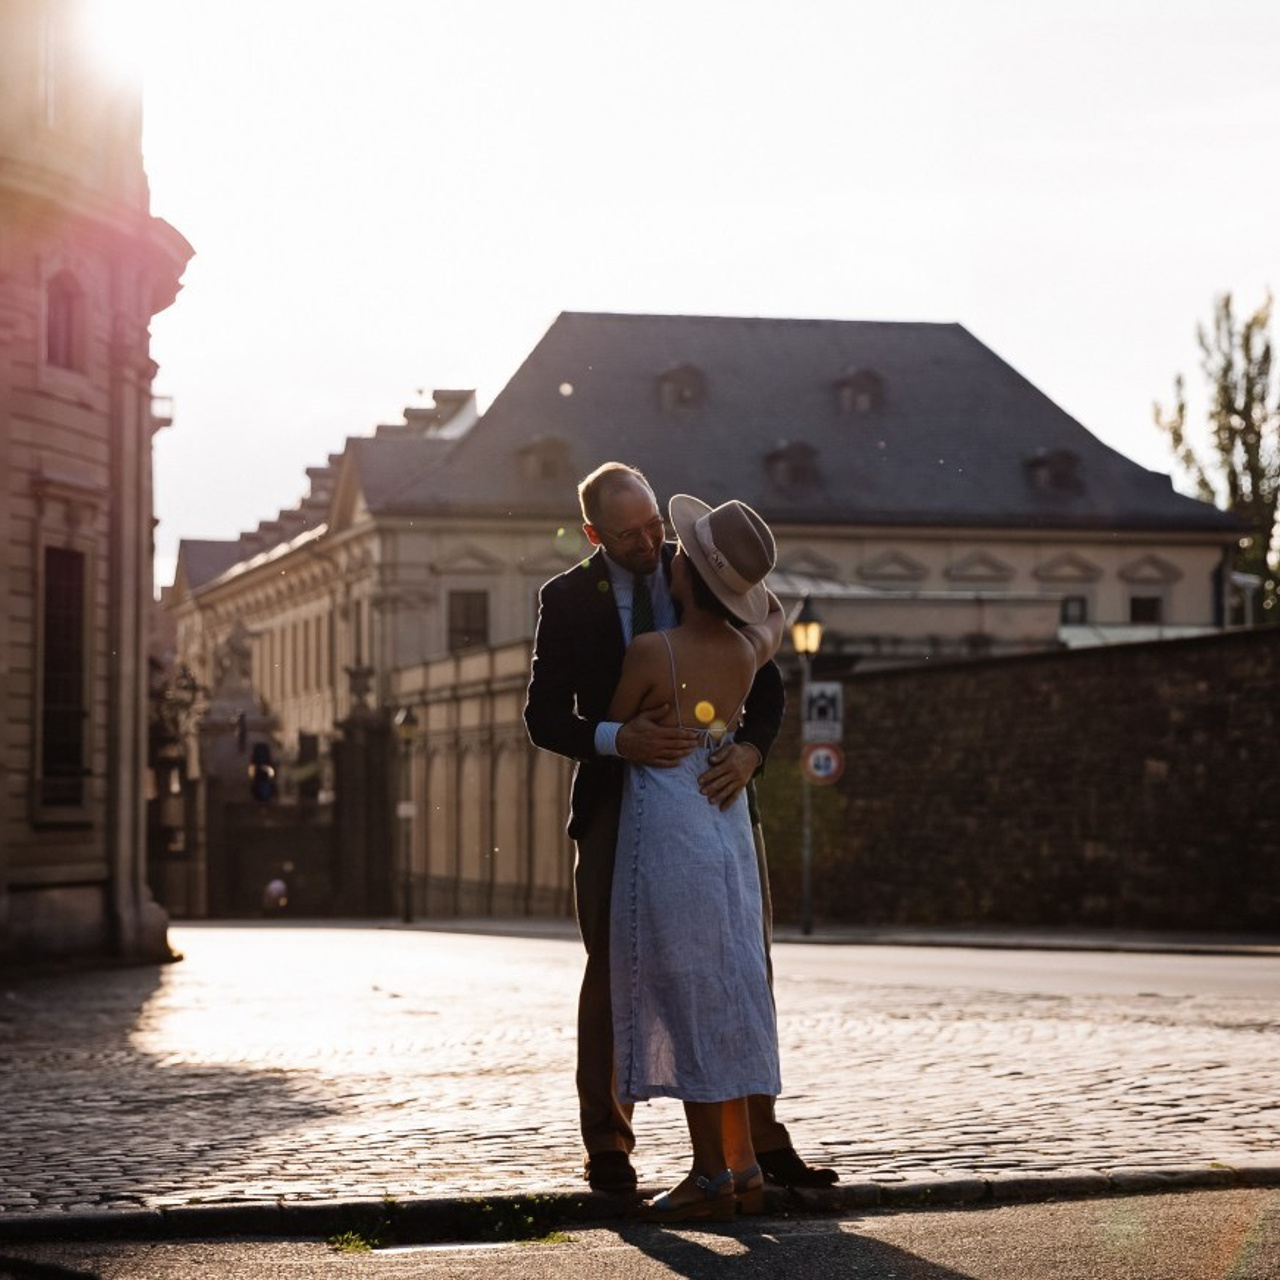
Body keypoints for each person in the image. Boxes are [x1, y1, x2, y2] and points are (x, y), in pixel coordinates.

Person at [524, 462, 836, 1197]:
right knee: (611, 971)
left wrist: (754, 751)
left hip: (719, 797)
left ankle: (757, 1144)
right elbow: (542, 717)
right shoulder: (567, 598)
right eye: (629, 533)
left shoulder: (702, 569)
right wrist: (614, 738)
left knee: (739, 967)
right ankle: (609, 1148)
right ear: (594, 533)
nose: (649, 541)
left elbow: (769, 682)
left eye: (656, 525)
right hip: (615, 806)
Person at [607, 492, 785, 1221]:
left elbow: (620, 726)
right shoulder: (746, 651)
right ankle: (744, 1167)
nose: (670, 556)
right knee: (731, 985)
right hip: (727, 822)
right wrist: (741, 585)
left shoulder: (653, 652)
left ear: (692, 579)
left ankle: (709, 1175)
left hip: (672, 828)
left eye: (683, 554)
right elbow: (772, 618)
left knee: (681, 990)